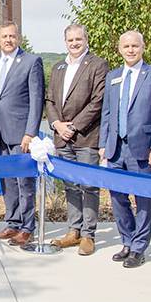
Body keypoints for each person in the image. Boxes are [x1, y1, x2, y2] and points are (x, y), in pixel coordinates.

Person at [98, 31, 151, 268]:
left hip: (143, 148)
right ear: (119, 49)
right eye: (126, 46)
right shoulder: (113, 77)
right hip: (115, 147)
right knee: (117, 197)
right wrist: (103, 145)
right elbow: (107, 114)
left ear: (143, 47)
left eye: (135, 46)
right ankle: (127, 241)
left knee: (143, 200)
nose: (130, 50)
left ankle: (139, 248)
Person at [44, 24, 107, 255]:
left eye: (78, 39)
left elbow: (98, 101)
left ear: (86, 40)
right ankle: (73, 230)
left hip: (86, 137)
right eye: (70, 39)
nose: (74, 43)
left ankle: (88, 235)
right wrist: (57, 125)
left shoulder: (98, 65)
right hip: (62, 138)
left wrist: (75, 126)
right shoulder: (59, 67)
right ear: (65, 41)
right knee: (70, 185)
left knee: (89, 186)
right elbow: (50, 100)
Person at [0, 22, 45, 246]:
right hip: (0, 134)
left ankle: (27, 227)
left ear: (18, 38)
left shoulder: (32, 62)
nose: (8, 40)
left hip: (22, 135)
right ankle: (12, 223)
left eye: (12, 36)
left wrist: (30, 132)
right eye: (4, 36)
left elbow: (36, 100)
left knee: (25, 183)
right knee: (8, 182)